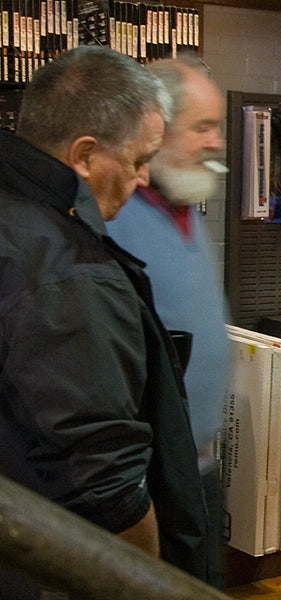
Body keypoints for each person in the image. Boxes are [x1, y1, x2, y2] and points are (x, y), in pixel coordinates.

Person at [0, 46, 211, 597]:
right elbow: (106, 484)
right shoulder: (69, 272)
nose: (144, 179)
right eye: (140, 159)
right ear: (85, 155)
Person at [106, 56, 231, 589]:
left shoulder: (185, 203)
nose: (217, 143)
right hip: (146, 482)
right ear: (154, 127)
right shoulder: (114, 215)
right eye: (202, 128)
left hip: (197, 469)